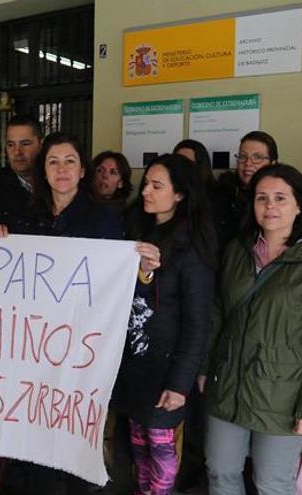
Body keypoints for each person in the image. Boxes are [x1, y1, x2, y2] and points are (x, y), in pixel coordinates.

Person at [0, 133, 135, 495]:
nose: (62, 169)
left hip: (80, 348)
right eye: (53, 161)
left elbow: (114, 283)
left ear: (82, 169)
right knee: (34, 433)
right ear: (44, 170)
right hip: (35, 345)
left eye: (70, 161)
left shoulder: (103, 220)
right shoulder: (25, 216)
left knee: (73, 437)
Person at [200, 164, 302, 495]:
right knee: (220, 472)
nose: (270, 206)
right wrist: (206, 366)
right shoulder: (237, 251)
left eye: (281, 198)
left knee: (272, 482)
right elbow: (218, 313)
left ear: (299, 205)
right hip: (229, 383)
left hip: (283, 394)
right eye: (262, 197)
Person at [112, 154, 216, 495]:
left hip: (166, 371)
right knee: (139, 445)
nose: (146, 192)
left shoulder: (191, 247)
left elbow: (197, 323)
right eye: (145, 184)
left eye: (157, 186)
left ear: (180, 194)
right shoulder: (139, 231)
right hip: (134, 366)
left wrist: (180, 384)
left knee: (160, 448)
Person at [171, 138, 216, 492]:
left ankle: (191, 476)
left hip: (195, 333)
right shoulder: (149, 223)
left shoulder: (204, 224)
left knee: (193, 416)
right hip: (158, 344)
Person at [213, 131, 279, 250]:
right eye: (243, 157)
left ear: (272, 164)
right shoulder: (219, 194)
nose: (248, 163)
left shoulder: (283, 197)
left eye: (257, 157)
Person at [0, 114, 43, 229]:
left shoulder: (58, 182)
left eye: (25, 144)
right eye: (11, 145)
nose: (17, 152)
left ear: (41, 144)